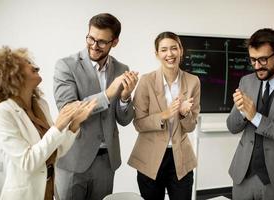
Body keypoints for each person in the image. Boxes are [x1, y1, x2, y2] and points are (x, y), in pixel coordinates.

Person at [53, 13, 138, 200]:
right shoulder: (66, 66)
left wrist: (124, 97)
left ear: (114, 42)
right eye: (90, 38)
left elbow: (124, 120)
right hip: (73, 159)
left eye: (101, 42)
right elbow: (69, 110)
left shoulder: (122, 69)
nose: (93, 45)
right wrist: (109, 93)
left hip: (106, 162)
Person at [0, 46, 96, 200]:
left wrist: (74, 125)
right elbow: (27, 162)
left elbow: (55, 152)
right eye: (27, 62)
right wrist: (58, 127)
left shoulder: (41, 104)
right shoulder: (2, 112)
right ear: (13, 73)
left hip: (48, 192)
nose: (36, 66)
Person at [128, 32, 201, 200]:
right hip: (150, 157)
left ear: (181, 50)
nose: (170, 54)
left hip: (180, 157)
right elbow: (139, 123)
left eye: (174, 48)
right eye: (164, 50)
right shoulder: (146, 81)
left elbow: (191, 126)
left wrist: (184, 114)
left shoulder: (193, 81)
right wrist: (164, 115)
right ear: (157, 54)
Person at [227, 28, 274, 199]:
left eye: (263, 60)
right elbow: (232, 126)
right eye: (253, 60)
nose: (257, 66)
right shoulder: (247, 81)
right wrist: (243, 113)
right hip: (243, 175)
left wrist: (255, 117)